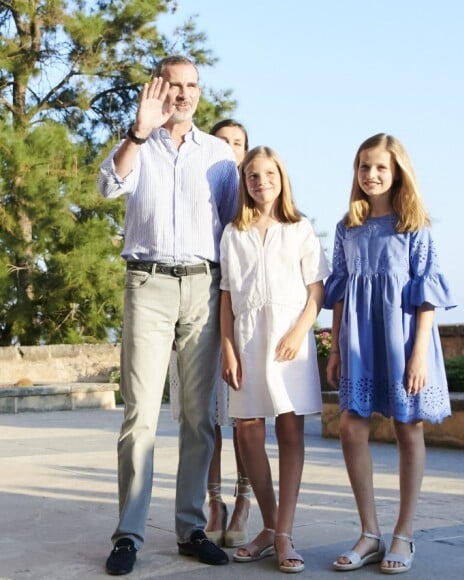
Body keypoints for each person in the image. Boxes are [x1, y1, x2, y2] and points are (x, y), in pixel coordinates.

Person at [97, 55, 239, 575]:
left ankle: (190, 528)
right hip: (149, 283)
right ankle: (128, 535)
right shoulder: (137, 146)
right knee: (141, 415)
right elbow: (108, 186)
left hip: (204, 284)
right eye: (173, 85)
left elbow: (233, 228)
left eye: (192, 85)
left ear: (200, 92)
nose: (183, 94)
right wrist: (137, 132)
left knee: (200, 417)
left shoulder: (220, 154)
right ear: (157, 88)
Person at [324, 133, 456, 575]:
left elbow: (427, 297)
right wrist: (336, 345)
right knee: (349, 425)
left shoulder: (414, 226)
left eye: (380, 167)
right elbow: (339, 294)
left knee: (407, 428)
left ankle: (404, 532)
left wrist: (419, 355)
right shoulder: (347, 227)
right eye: (364, 166)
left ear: (397, 171)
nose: (371, 175)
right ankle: (369, 532)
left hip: (404, 342)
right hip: (359, 342)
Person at [219, 146, 330, 573]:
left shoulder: (299, 228)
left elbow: (315, 289)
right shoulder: (233, 232)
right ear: (244, 183)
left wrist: (301, 330)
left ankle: (283, 533)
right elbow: (227, 296)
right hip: (247, 337)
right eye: (252, 175)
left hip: (289, 338)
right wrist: (227, 346)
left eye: (268, 174)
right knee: (247, 432)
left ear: (281, 178)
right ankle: (267, 525)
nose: (260, 181)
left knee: (290, 430)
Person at [169, 118, 253, 548]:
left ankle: (244, 499)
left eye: (238, 143)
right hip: (199, 308)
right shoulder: (199, 193)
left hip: (243, 318)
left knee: (242, 416)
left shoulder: (259, 199)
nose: (230, 149)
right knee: (206, 415)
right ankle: (214, 500)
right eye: (223, 141)